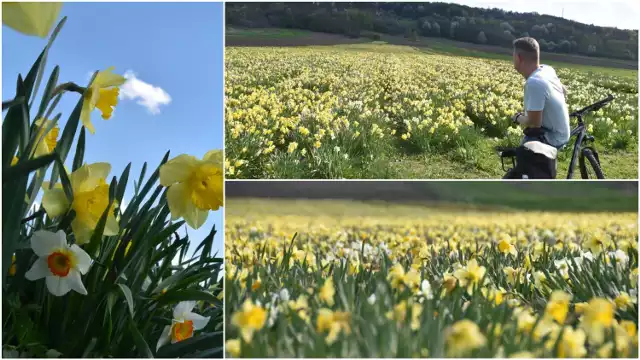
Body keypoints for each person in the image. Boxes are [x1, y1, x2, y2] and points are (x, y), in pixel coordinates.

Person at [504, 37, 570, 179]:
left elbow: (534, 123)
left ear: (519, 58)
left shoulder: (534, 83)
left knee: (525, 150)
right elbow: (563, 89)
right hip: (562, 129)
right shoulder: (546, 69)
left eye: (513, 56)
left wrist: (517, 117)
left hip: (554, 136)